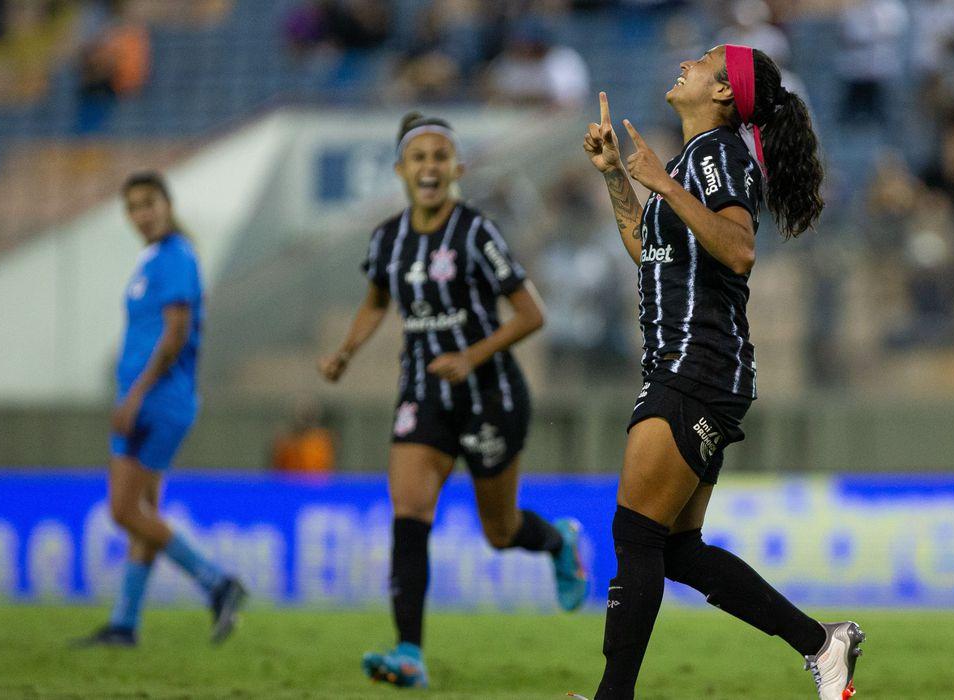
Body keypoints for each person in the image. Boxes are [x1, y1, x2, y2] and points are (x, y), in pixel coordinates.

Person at [577, 46, 863, 699]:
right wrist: (619, 178)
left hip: (695, 363)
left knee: (636, 533)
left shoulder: (715, 154)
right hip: (699, 365)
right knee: (676, 549)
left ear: (725, 93)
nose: (684, 61)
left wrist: (662, 183)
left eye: (703, 60)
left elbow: (737, 250)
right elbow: (647, 251)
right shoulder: (692, 162)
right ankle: (824, 644)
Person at [319, 112, 589, 689]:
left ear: (457, 169)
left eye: (440, 157)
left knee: (500, 530)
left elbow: (531, 313)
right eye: (418, 158)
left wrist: (471, 356)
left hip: (490, 393)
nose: (429, 167)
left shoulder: (475, 233)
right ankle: (410, 653)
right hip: (422, 390)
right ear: (400, 171)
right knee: (410, 511)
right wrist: (346, 350)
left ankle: (557, 541)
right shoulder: (387, 238)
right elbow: (375, 300)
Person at [74, 172, 246, 648]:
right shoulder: (155, 260)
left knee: (124, 509)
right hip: (151, 397)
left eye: (149, 203)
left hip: (157, 400)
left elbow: (174, 336)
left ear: (168, 204)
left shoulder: (175, 258)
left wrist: (133, 397)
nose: (142, 214)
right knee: (144, 511)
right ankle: (125, 623)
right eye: (133, 207)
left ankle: (217, 583)